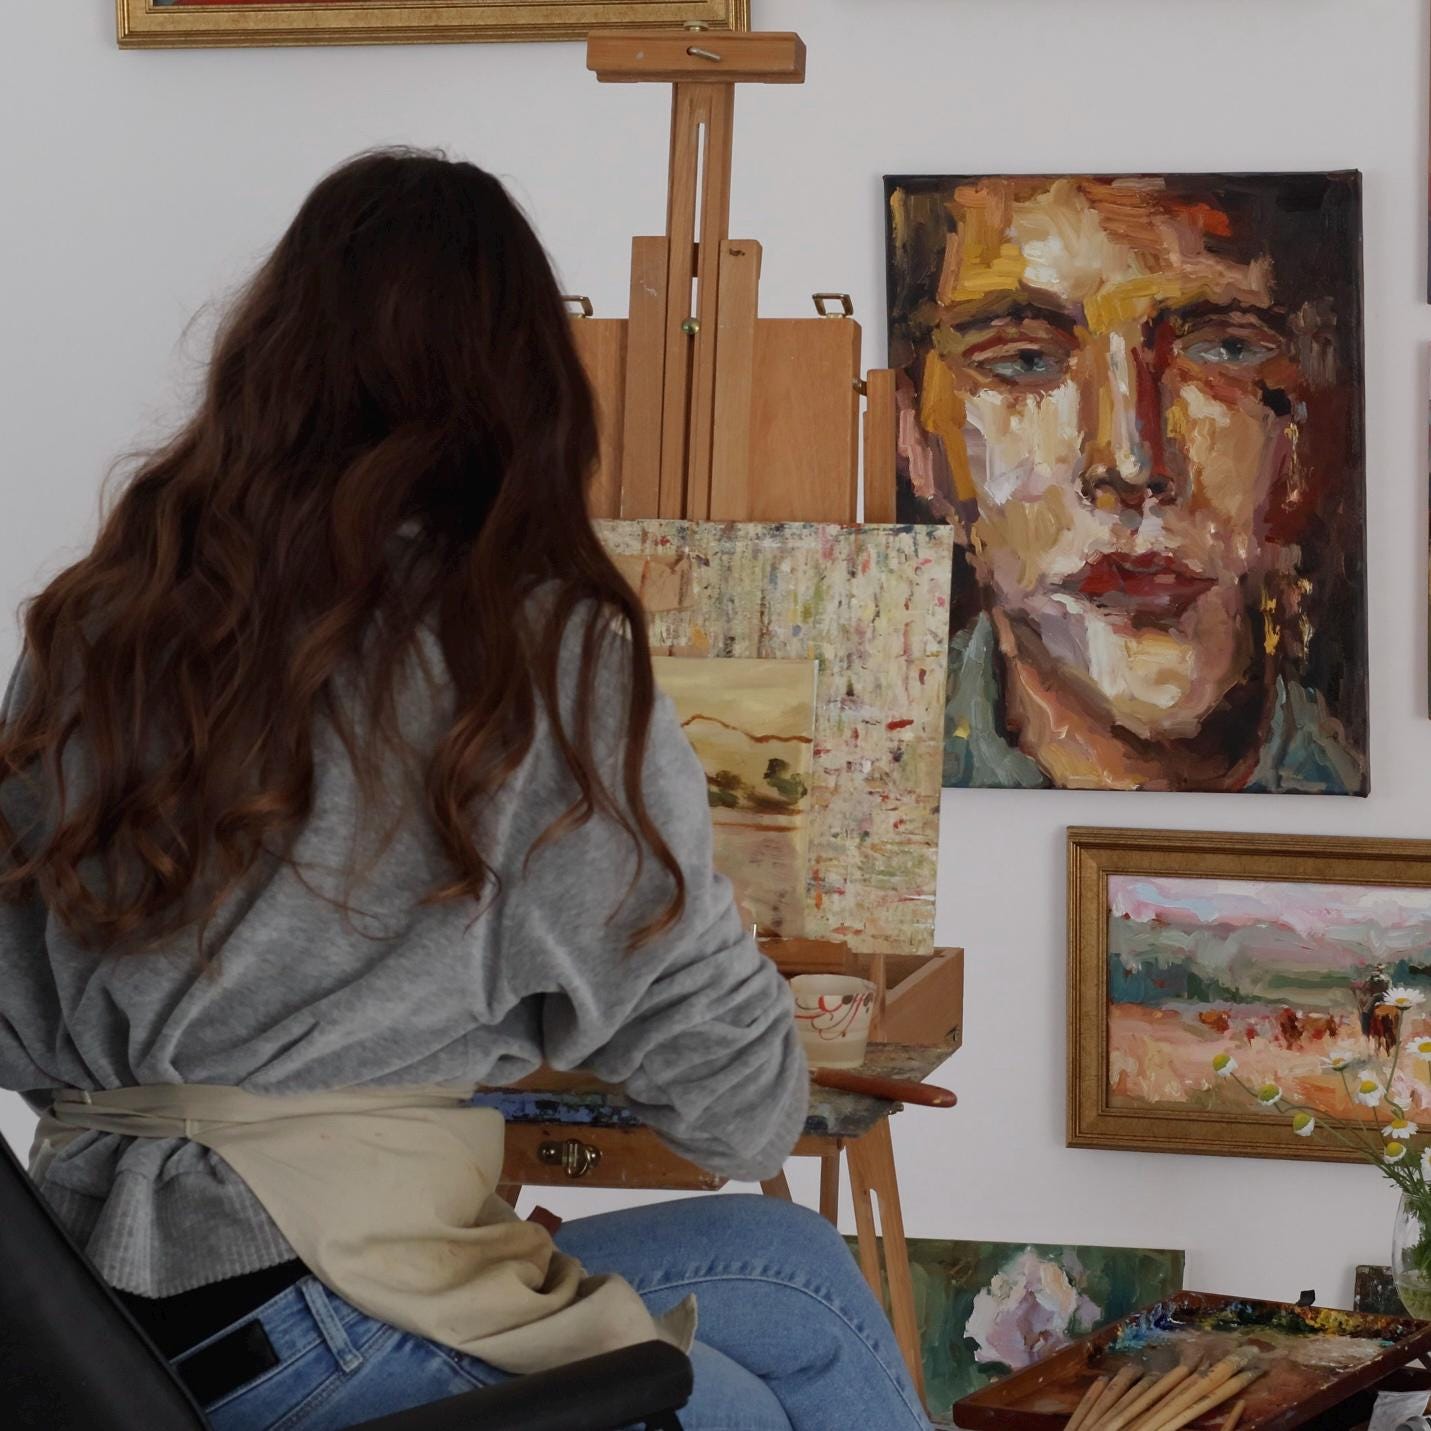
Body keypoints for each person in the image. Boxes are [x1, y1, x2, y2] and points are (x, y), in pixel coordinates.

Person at [0, 149, 930, 1431]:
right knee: (734, 1409)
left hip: (92, 1310)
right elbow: (740, 1113)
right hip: (322, 1305)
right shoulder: (526, 654)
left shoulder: (101, 626)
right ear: (527, 388)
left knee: (797, 1274)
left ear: (270, 360)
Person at [888, 173, 1367, 794]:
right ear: (920, 443)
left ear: (1313, 428)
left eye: (1224, 350)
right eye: (1025, 360)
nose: (1131, 464)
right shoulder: (873, 779)